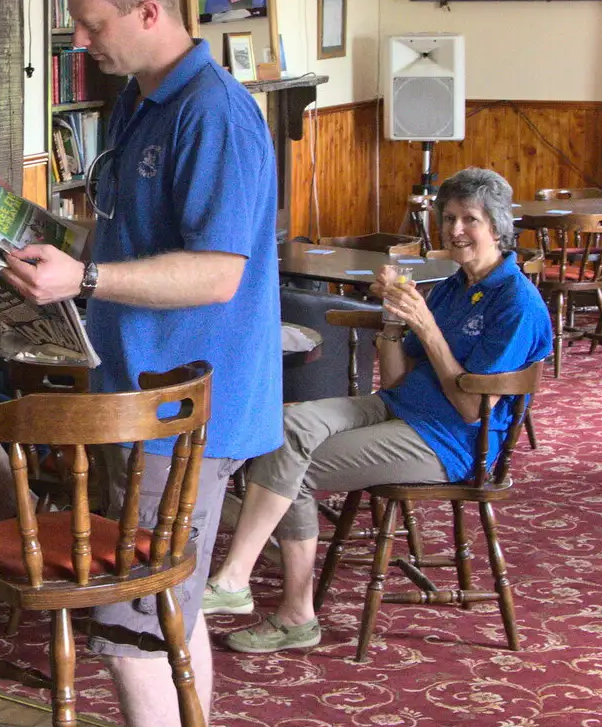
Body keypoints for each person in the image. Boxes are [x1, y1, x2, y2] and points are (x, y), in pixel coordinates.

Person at [1, 0, 282, 727]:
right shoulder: (138, 98)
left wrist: (82, 283)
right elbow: (123, 237)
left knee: (127, 624)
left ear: (149, 11)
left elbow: (215, 275)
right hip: (134, 396)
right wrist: (27, 233)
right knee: (167, 608)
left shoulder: (214, 114)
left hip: (188, 408)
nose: (81, 45)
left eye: (91, 27)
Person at [207, 167, 553, 653]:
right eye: (449, 217)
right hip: (400, 406)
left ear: (497, 227)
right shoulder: (455, 285)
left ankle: (292, 613)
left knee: (292, 464)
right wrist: (393, 320)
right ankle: (239, 578)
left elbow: (471, 408)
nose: (455, 230)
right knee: (283, 426)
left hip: (451, 441)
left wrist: (427, 326)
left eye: (469, 219)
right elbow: (394, 379)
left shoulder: (516, 304)